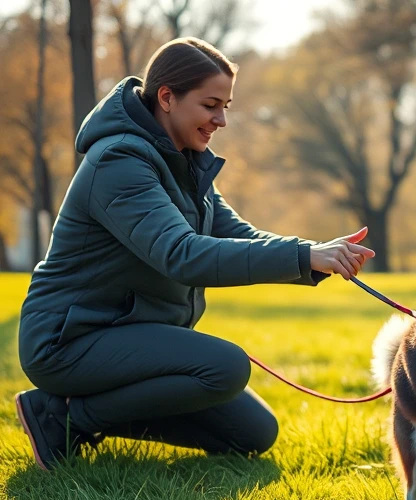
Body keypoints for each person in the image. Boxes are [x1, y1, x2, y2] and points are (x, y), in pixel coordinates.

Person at [14, 37, 374, 471]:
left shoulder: (186, 160)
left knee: (253, 432)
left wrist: (316, 253)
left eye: (225, 106)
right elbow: (181, 254)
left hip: (128, 331)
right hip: (68, 339)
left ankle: (77, 412)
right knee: (226, 367)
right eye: (210, 105)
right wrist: (303, 256)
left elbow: (237, 234)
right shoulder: (118, 161)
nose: (221, 120)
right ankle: (63, 419)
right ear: (167, 97)